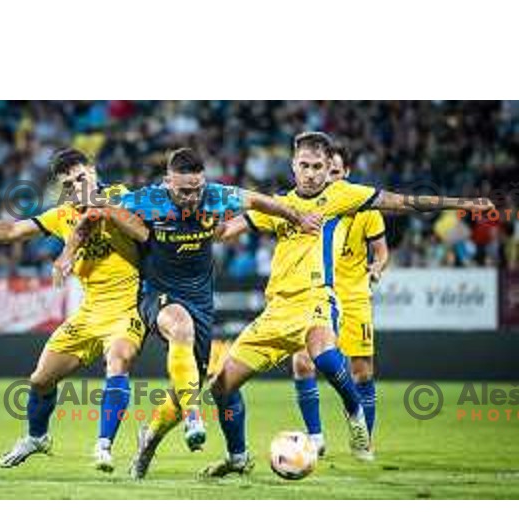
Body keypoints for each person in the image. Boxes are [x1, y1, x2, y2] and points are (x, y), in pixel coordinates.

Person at [203, 131, 494, 477]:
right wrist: (206, 221)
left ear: (329, 169)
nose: (310, 173)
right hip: (276, 310)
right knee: (221, 386)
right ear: (293, 166)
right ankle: (237, 457)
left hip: (318, 298)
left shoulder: (342, 196)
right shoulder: (277, 204)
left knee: (324, 354)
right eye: (304, 165)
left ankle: (354, 413)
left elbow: (404, 202)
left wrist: (463, 203)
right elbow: (226, 231)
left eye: (318, 166)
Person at [64, 147, 322, 479]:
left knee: (189, 383)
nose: (192, 196)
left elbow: (259, 201)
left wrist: (296, 217)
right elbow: (96, 206)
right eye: (184, 190)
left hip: (201, 301)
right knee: (180, 326)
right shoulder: (149, 201)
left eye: (197, 188)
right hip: (156, 294)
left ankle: (150, 439)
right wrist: (71, 231)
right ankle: (194, 415)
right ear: (167, 182)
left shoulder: (215, 196)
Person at [0, 148, 148, 472]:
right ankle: (37, 437)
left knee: (118, 360)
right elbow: (11, 231)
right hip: (88, 314)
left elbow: (137, 226)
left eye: (81, 177)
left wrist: (92, 214)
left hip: (127, 310)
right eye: (69, 184)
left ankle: (103, 446)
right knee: (39, 381)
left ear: (94, 172)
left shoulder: (119, 196)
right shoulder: (61, 215)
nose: (77, 186)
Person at [290, 141, 389, 456]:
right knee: (303, 362)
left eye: (334, 171)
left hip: (355, 295)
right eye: (323, 170)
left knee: (362, 370)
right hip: (316, 294)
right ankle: (315, 438)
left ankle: (363, 441)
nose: (328, 177)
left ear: (346, 172)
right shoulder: (308, 206)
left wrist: (377, 266)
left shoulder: (363, 208)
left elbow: (382, 251)